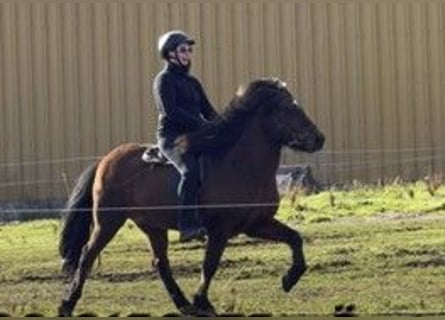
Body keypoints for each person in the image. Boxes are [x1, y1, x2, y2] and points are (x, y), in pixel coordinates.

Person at [153, 30, 218, 242]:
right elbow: (171, 112)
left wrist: (225, 125)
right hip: (172, 137)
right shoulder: (163, 80)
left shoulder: (193, 83)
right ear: (170, 54)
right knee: (190, 171)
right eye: (183, 50)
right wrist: (201, 124)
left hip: (194, 135)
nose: (188, 54)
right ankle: (187, 225)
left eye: (189, 50)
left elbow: (208, 111)